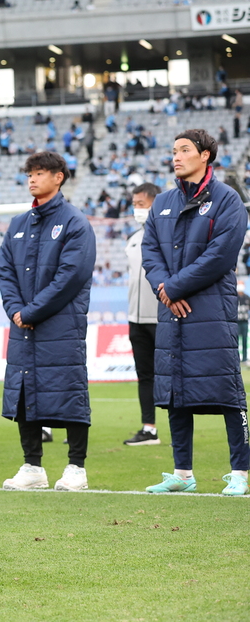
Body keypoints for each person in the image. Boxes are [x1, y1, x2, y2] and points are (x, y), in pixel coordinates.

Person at [141, 129, 250, 496]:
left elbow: (220, 256)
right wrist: (164, 289)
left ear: (205, 156)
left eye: (184, 150)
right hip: (171, 308)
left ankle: (240, 472)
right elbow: (149, 252)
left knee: (227, 390)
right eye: (174, 150)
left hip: (211, 309)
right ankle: (182, 473)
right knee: (176, 391)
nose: (176, 156)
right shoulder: (162, 202)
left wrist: (174, 288)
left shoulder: (227, 199)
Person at [0, 151, 96, 492]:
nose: (32, 179)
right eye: (30, 174)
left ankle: (76, 468)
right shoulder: (18, 224)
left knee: (69, 391)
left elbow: (70, 277)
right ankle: (32, 466)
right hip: (23, 326)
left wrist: (30, 312)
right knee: (24, 392)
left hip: (60, 326)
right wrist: (15, 310)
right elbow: (4, 270)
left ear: (59, 177)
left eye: (39, 173)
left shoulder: (75, 223)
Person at [123, 183, 162, 446]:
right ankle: (149, 429)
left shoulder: (168, 236)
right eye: (134, 204)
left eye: (141, 204)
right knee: (145, 375)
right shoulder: (133, 238)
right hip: (135, 319)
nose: (136, 209)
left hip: (161, 318)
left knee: (172, 376)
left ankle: (181, 429)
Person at [238, 283, 250, 363]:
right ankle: (236, 358)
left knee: (245, 340)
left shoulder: (247, 297)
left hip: (244, 321)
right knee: (235, 340)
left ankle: (245, 358)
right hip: (236, 321)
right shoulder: (235, 297)